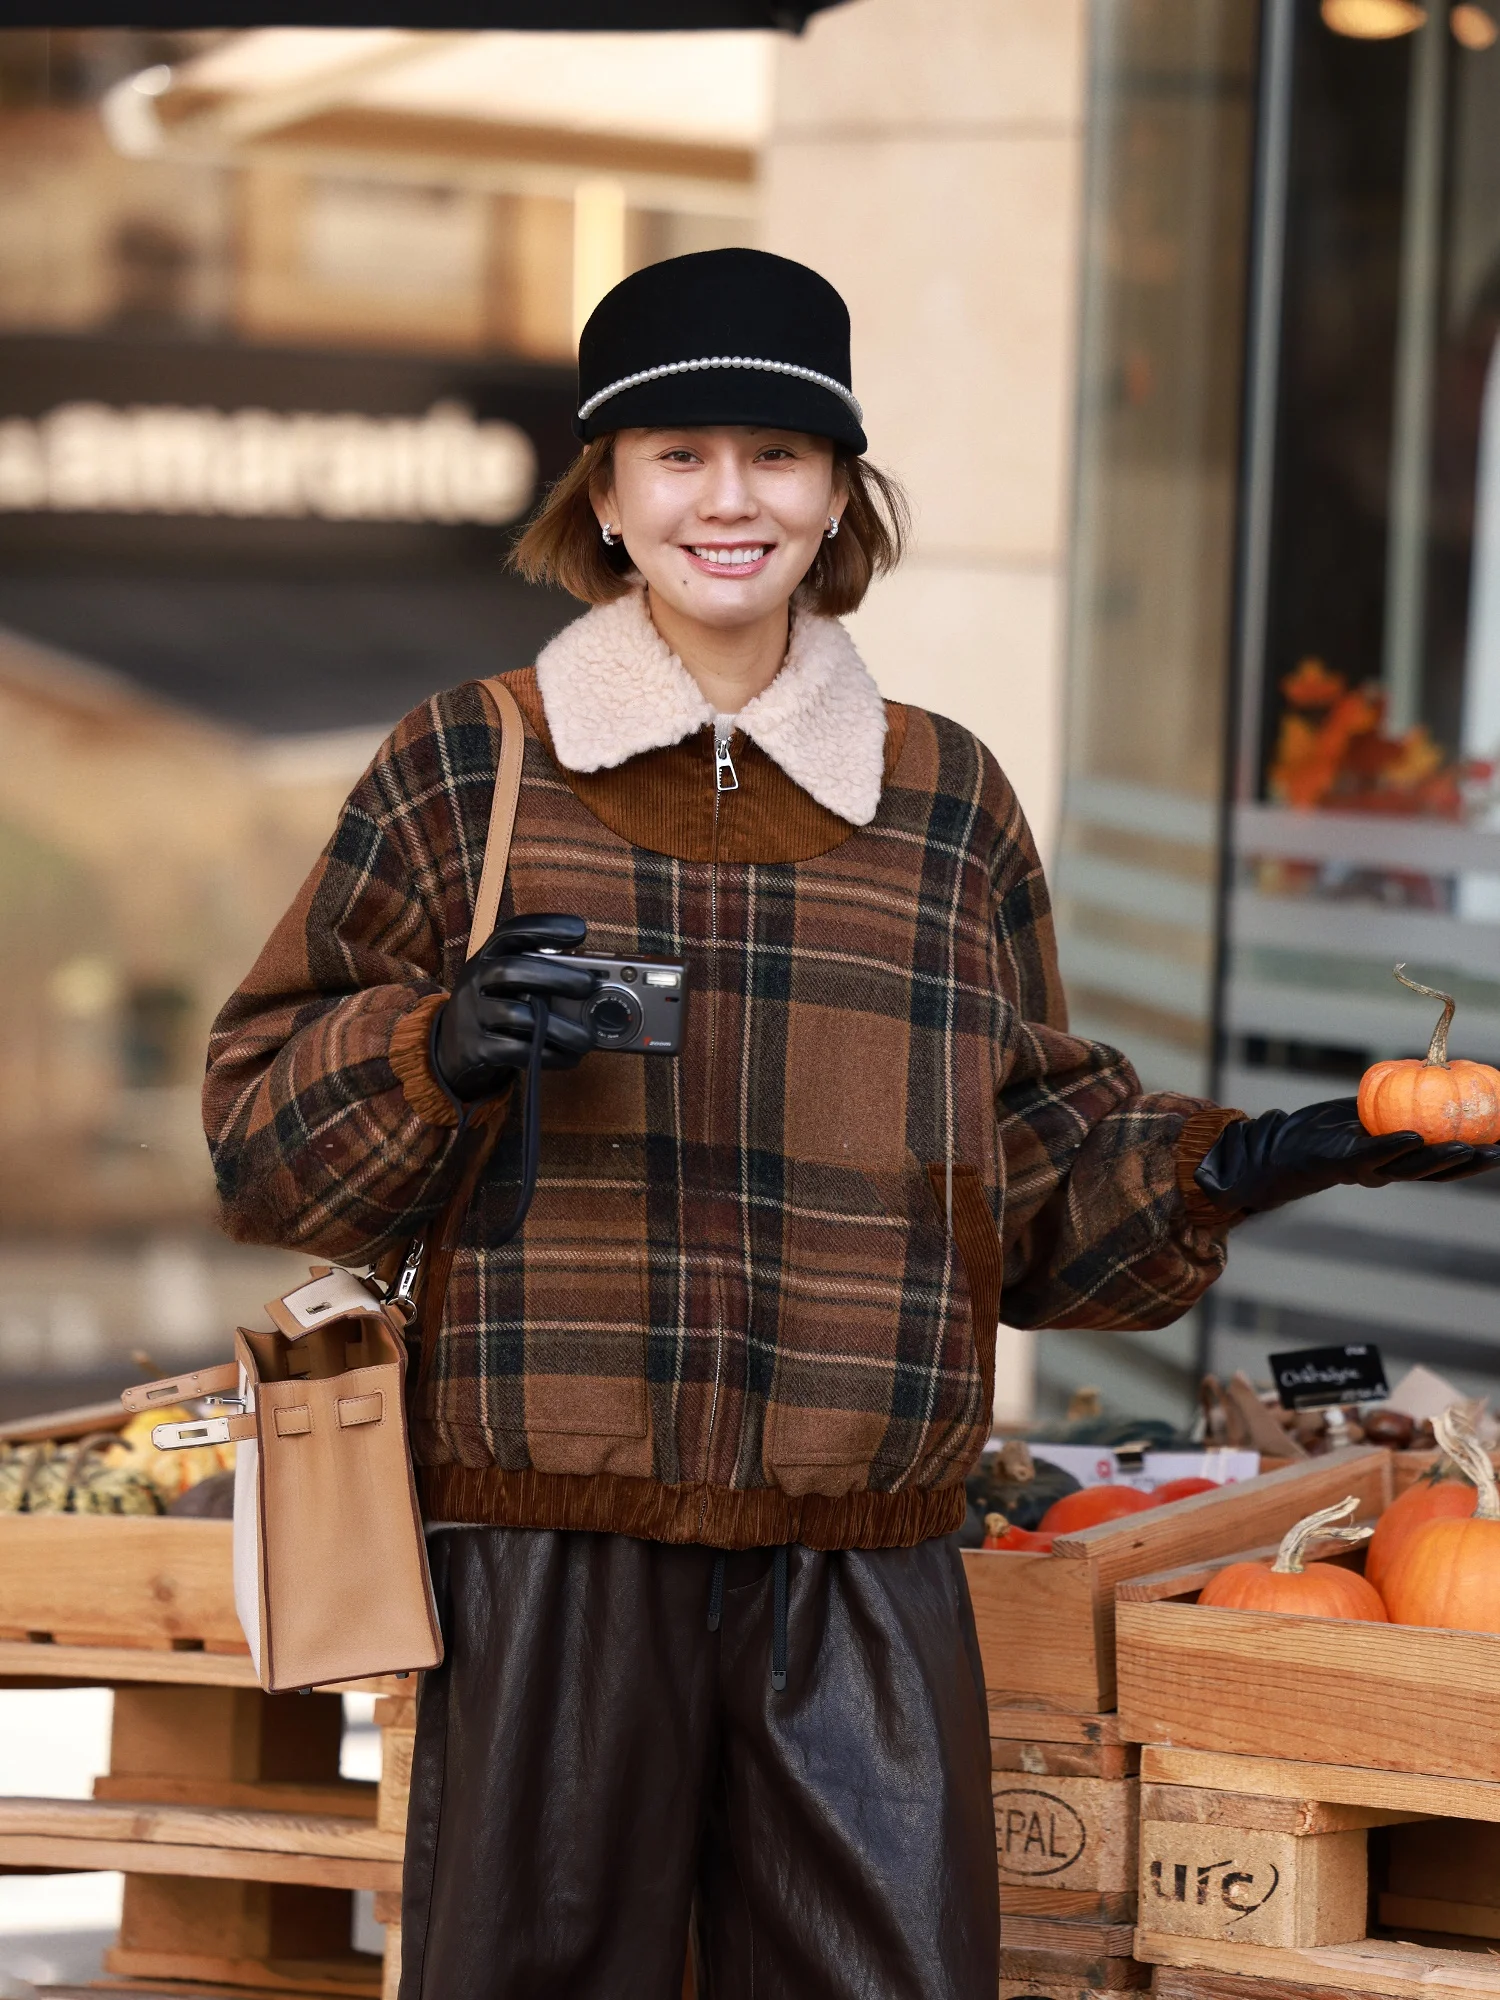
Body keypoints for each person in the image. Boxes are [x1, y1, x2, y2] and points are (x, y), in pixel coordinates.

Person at [203, 249, 1500, 2000]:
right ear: (604, 491)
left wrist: (1263, 1155)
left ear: (838, 494)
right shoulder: (469, 765)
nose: (728, 501)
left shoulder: (946, 798)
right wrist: (439, 1043)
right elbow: (259, 1138)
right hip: (547, 1547)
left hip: (863, 1560)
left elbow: (1032, 1186)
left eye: (777, 455)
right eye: (677, 454)